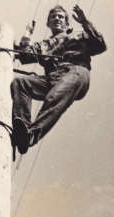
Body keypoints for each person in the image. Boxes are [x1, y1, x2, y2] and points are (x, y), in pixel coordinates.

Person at [10, 5, 107, 155]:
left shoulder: (79, 35)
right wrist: (28, 32)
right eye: (53, 17)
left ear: (67, 23)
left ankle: (32, 135)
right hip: (51, 77)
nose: (57, 18)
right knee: (19, 82)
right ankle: (21, 132)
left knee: (54, 96)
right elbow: (24, 55)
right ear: (48, 24)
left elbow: (101, 45)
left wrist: (85, 22)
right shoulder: (43, 45)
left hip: (74, 70)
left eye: (61, 16)